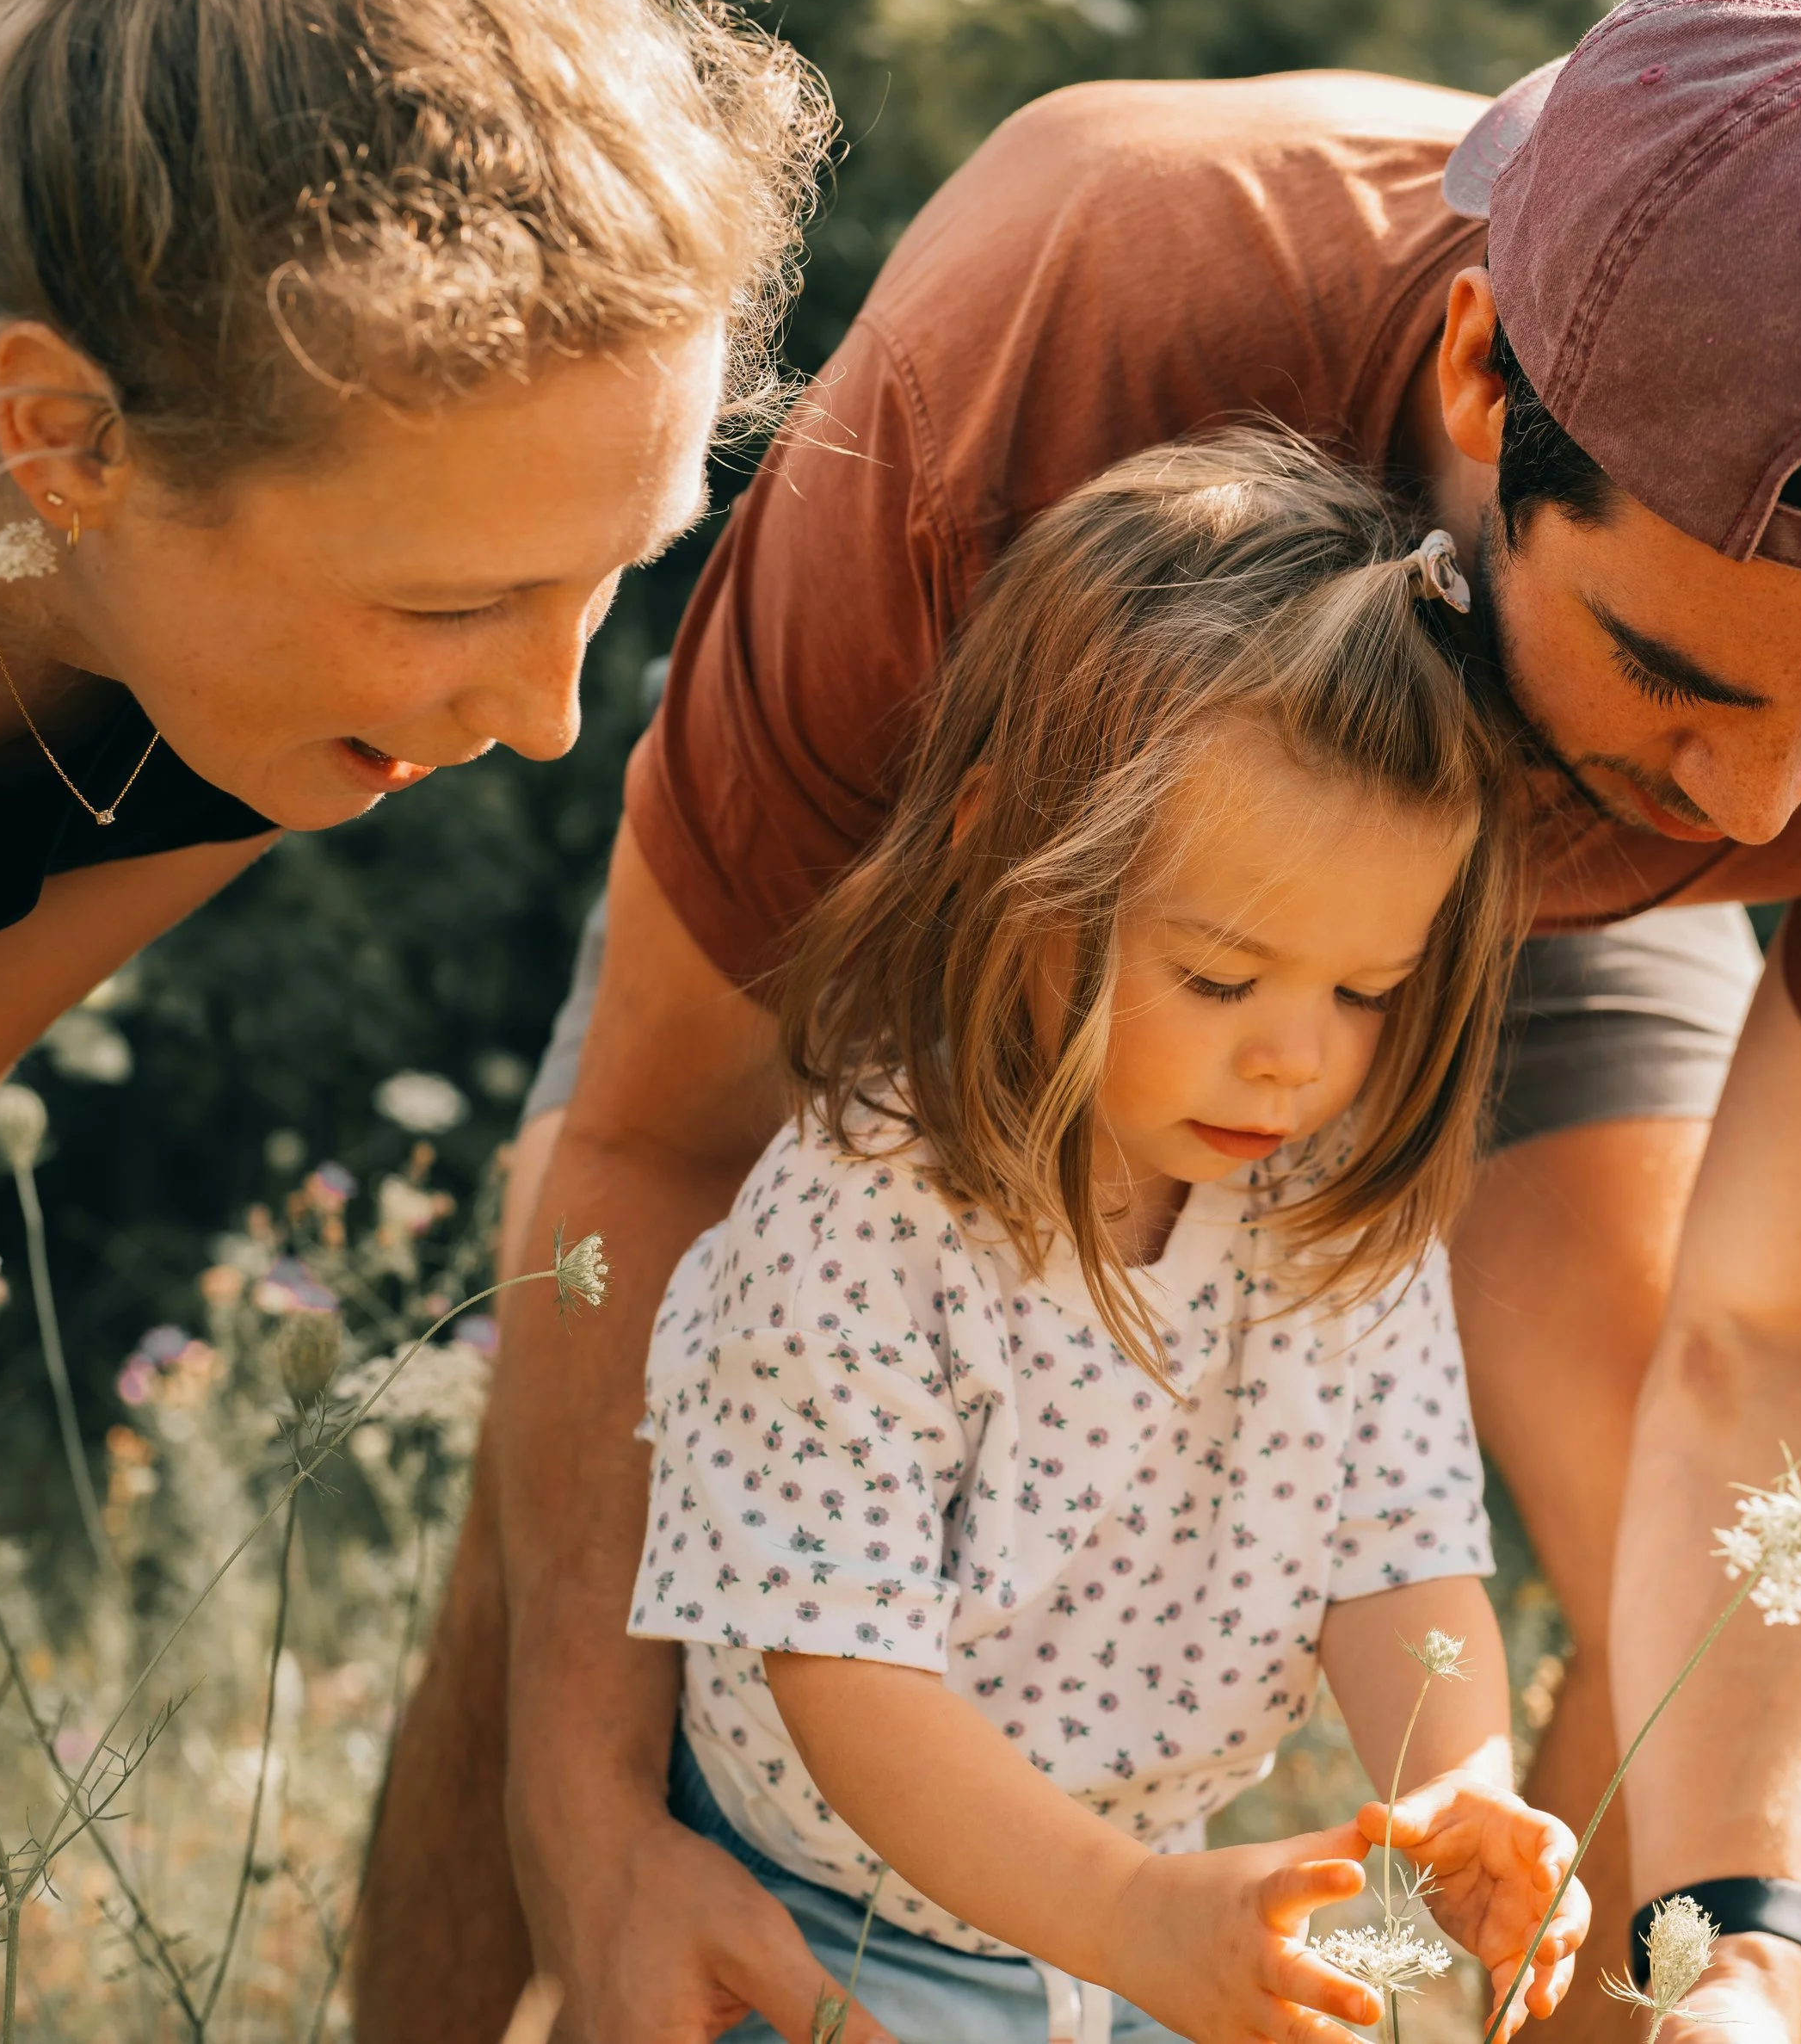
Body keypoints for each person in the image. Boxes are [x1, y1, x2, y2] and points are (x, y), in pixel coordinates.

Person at [361, 0, 1801, 2044]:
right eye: (1683, 673)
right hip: (1082, 833)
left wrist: (1738, 1934)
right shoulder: (1064, 322)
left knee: (1654, 1513)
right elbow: (656, 1136)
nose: (1748, 808)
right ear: (1479, 375)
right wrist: (588, 1830)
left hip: (1484, 862)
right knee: (601, 1475)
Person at [0, 0, 826, 1928]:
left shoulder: (228, 688)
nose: (541, 715)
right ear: (57, 437)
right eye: (447, 606)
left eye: (609, 571)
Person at [633, 429, 1588, 2043]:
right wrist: (1135, 1922)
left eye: (1366, 990)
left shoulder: (1323, 1205)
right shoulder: (865, 1220)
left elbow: (1396, 1556)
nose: (1296, 1057)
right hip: (840, 1916)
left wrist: (1459, 1790)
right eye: (1222, 979)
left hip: (1147, 1911)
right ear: (1015, 860)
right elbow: (844, 1676)